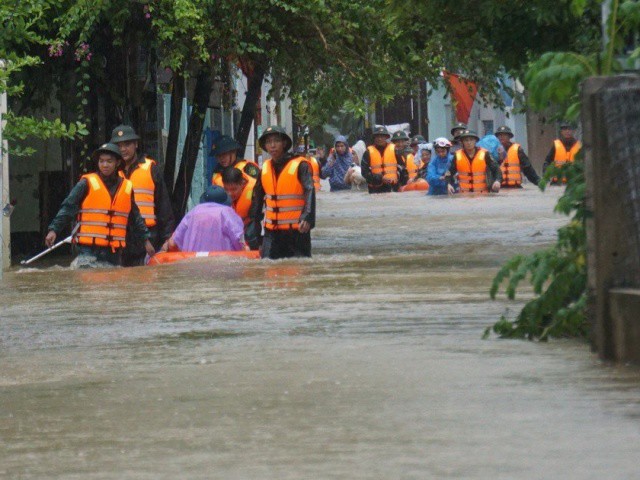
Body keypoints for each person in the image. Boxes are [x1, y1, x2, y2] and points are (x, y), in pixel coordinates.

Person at [45, 143, 154, 266]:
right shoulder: (86, 183)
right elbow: (68, 207)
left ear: (117, 163)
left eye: (109, 161)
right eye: (101, 161)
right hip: (88, 249)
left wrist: (145, 240)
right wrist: (54, 229)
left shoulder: (127, 187)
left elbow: (135, 217)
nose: (105, 165)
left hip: (114, 251)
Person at [109, 124, 175, 266]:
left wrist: (167, 239)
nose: (123, 149)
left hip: (149, 235)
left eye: (127, 144)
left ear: (136, 144)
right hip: (120, 235)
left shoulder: (151, 168)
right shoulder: (111, 173)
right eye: (119, 145)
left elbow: (164, 207)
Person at [249, 125, 316, 259]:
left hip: (297, 233)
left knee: (298, 273)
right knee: (269, 272)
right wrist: (256, 237)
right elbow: (256, 204)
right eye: (268, 142)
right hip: (271, 234)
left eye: (276, 141)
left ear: (284, 143)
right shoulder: (265, 169)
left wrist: (308, 216)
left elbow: (310, 190)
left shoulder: (300, 165)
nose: (272, 145)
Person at [161, 186, 246, 252]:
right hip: (222, 265)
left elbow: (172, 243)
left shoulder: (193, 212)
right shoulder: (227, 212)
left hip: (192, 265)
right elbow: (239, 240)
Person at [221, 167, 261, 250]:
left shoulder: (255, 192)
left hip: (253, 233)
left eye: (234, 189)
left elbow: (257, 220)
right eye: (226, 189)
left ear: (242, 184)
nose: (230, 194)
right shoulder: (219, 194)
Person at [361, 126, 407, 193]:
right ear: (374, 138)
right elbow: (364, 172)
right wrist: (379, 178)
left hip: (393, 187)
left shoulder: (395, 150)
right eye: (377, 137)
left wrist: (398, 175)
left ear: (386, 137)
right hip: (375, 189)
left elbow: (403, 168)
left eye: (382, 137)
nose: (379, 139)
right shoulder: (368, 152)